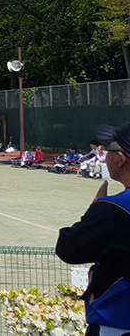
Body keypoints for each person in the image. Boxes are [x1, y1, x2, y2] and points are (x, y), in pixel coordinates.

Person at [56, 123, 130, 336]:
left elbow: (69, 247)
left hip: (117, 326)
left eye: (109, 151)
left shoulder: (112, 209)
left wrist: (95, 208)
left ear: (121, 158)